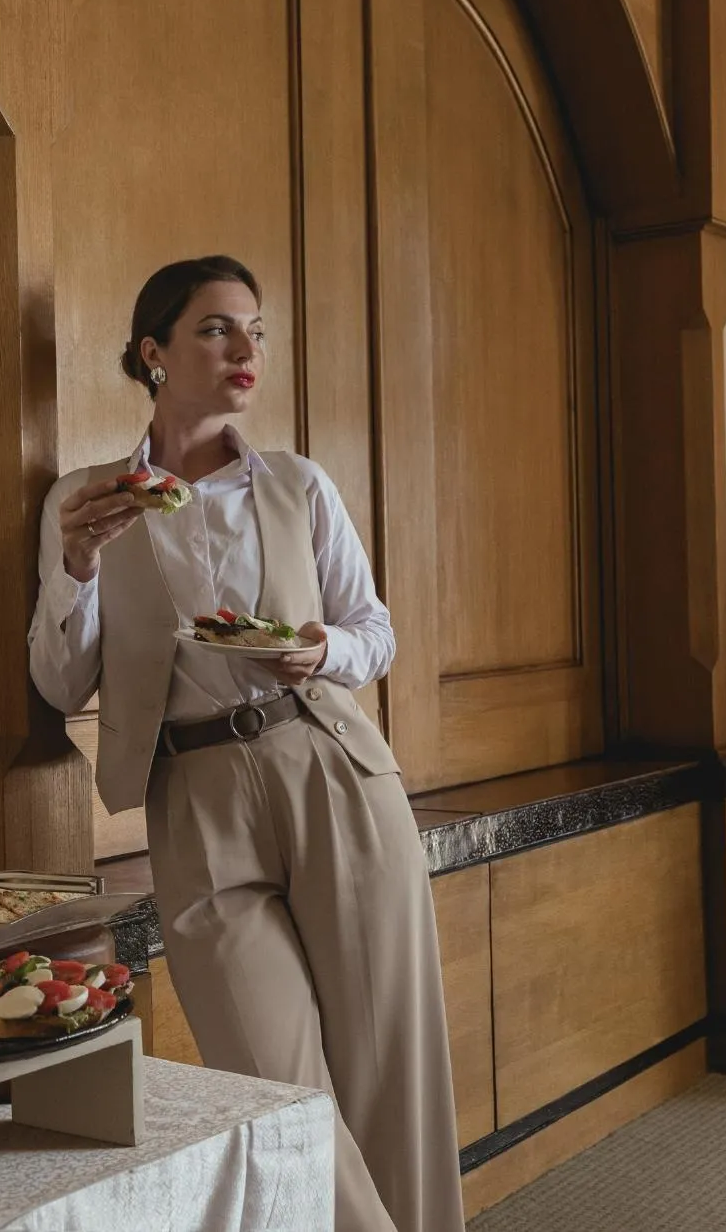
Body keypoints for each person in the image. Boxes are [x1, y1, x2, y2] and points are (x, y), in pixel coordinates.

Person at [29, 255, 465, 1232]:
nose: (245, 351)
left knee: (391, 1073)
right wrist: (76, 566)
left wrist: (322, 652)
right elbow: (62, 685)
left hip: (330, 768)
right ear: (153, 353)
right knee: (269, 1087)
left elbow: (374, 632)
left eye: (256, 331)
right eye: (218, 329)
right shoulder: (87, 499)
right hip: (194, 796)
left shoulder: (300, 486)